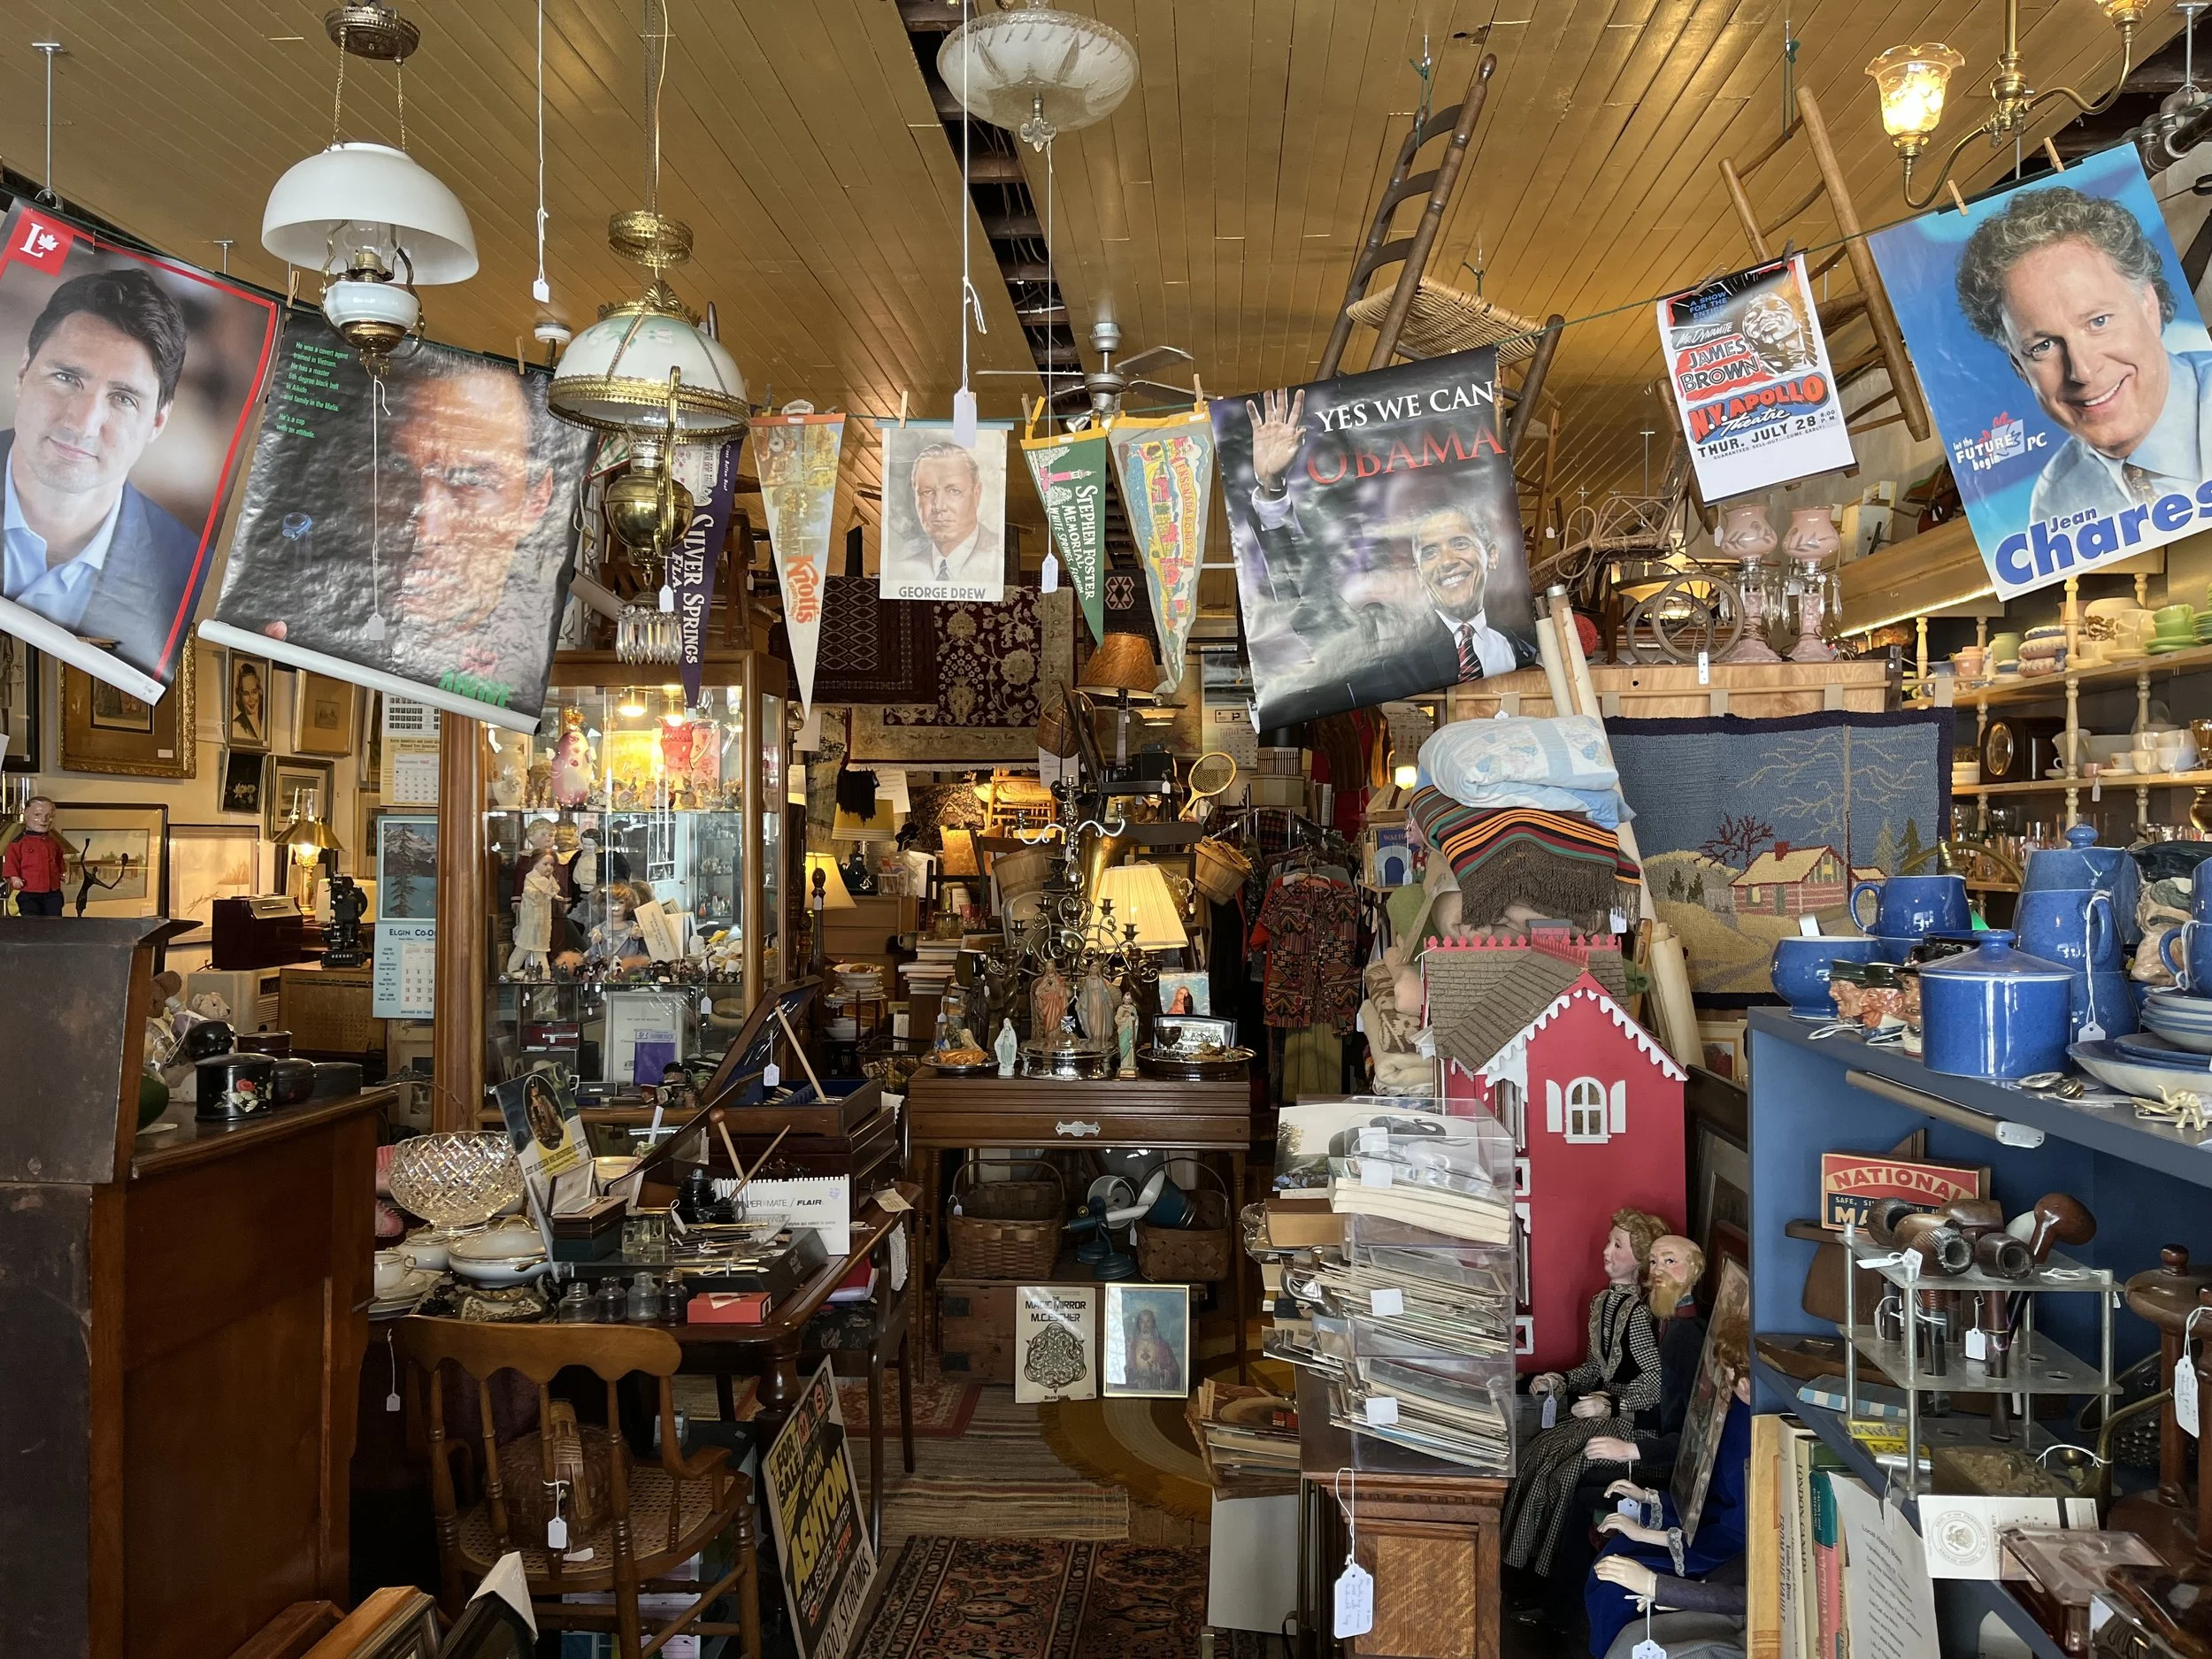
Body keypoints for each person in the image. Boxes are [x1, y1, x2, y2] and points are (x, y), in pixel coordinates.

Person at [242, 352, 569, 698]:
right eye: (397, 473)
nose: (426, 531)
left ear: (535, 500)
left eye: (472, 482)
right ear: (350, 479)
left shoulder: (528, 669)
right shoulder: (287, 614)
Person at [1954, 184, 2212, 526]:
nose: (2083, 371)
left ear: (2149, 306)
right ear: (2019, 367)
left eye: (2098, 321)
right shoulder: (2055, 501)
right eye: (2043, 346)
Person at [2, 267, 198, 673]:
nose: (83, 423)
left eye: (123, 399)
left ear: (157, 423)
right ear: (24, 372)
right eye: (66, 378)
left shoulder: (190, 581)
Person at [1524, 1234, 1710, 1632]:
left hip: (1666, 1460)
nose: (1658, 1271)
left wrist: (1630, 1445)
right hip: (1649, 1436)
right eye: (1656, 1262)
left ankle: (1562, 1611)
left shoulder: (1684, 1338)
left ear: (1693, 1271)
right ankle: (1544, 1588)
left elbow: (1686, 1434)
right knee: (1562, 1466)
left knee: (1583, 1486)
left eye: (1670, 1262)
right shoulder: (1664, 1322)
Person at [1502, 1209, 1669, 1580]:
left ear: (1639, 1259)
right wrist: (1559, 1379)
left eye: (1617, 1245)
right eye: (1610, 1241)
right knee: (1538, 1451)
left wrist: (1613, 1404)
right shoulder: (1602, 1303)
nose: (1606, 1251)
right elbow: (1596, 1367)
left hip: (1631, 1426)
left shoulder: (1642, 1314)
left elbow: (1656, 1382)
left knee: (1563, 1471)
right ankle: (1516, 1560)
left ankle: (1541, 1571)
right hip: (1600, 1410)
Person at [1585, 1322, 1752, 1659]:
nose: (1740, 1383)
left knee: (1614, 1588)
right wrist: (1650, 1500)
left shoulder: (1761, 1428)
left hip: (1726, 1550)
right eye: (1733, 1374)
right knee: (1612, 1556)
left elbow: (1739, 1531)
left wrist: (1650, 1542)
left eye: (1746, 1375)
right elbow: (1705, 1476)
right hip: (1706, 1522)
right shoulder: (1732, 1408)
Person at [902, 442, 998, 588]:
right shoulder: (904, 570)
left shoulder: (998, 558)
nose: (939, 506)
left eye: (954, 491)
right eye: (927, 492)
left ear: (976, 494)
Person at [3, 794, 70, 916]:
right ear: (26, 814)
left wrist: (63, 872)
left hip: (52, 891)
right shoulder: (18, 844)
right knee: (31, 920)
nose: (43, 820)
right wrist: (13, 877)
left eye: (49, 816)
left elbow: (59, 859)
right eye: (37, 815)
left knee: (54, 918)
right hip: (28, 891)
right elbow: (11, 862)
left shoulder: (54, 843)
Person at [1124, 1305, 1181, 1393]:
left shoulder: (1162, 1345)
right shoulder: (1132, 1345)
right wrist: (1129, 1371)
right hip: (1135, 1390)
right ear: (1139, 1324)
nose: (1145, 1325)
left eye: (1148, 1321)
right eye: (1142, 1322)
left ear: (1153, 1323)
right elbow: (1126, 1369)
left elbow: (1175, 1373)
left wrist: (1161, 1373)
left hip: (1156, 1390)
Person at [231, 660, 265, 746]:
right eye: (246, 694)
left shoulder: (265, 720)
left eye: (254, 692)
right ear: (240, 696)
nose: (251, 699)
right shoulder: (236, 725)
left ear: (259, 692)